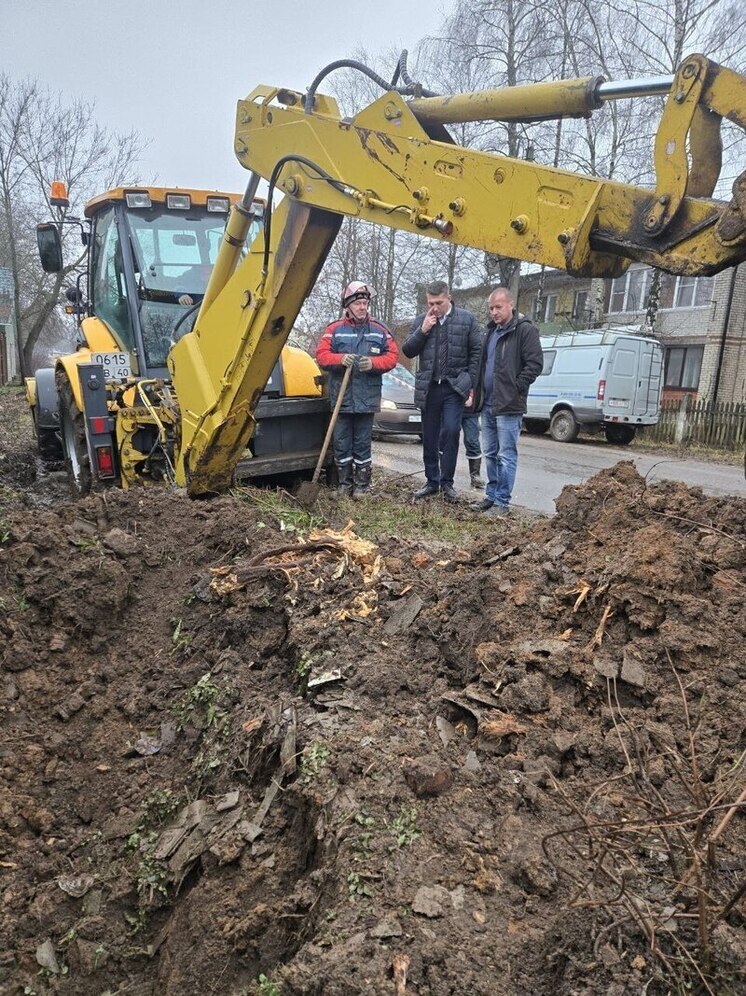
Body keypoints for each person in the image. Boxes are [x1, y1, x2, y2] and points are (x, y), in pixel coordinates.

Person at [316, 282, 399, 498]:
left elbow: (392, 357)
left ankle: (362, 487)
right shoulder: (334, 330)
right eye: (359, 303)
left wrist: (373, 364)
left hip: (367, 398)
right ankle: (344, 485)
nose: (363, 307)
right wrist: (340, 359)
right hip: (342, 397)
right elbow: (322, 356)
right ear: (349, 306)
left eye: (365, 303)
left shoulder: (380, 331)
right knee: (342, 442)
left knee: (363, 443)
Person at [402, 280, 482, 502]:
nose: (434, 307)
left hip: (453, 388)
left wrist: (468, 382)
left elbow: (477, 352)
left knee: (450, 431)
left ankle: (447, 483)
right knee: (429, 436)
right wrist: (423, 330)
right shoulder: (422, 320)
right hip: (429, 388)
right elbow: (408, 350)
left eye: (438, 302)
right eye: (430, 303)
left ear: (449, 297)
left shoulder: (466, 319)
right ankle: (432, 481)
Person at [476, 287, 543, 515]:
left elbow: (534, 364)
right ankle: (491, 496)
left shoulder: (524, 331)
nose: (494, 312)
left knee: (506, 455)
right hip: (488, 404)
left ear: (510, 305)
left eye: (498, 307)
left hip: (508, 405)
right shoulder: (491, 333)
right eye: (491, 308)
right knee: (491, 453)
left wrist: (516, 388)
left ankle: (502, 502)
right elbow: (484, 365)